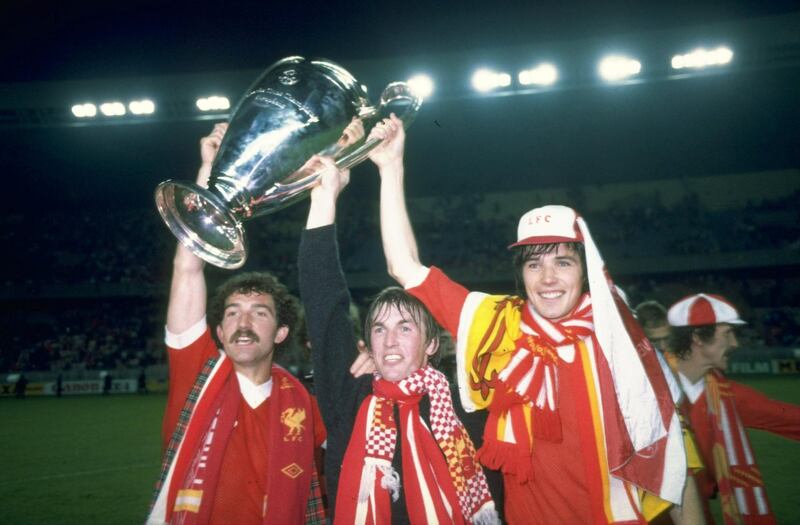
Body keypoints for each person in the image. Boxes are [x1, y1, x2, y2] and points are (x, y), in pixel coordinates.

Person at [370, 114, 687, 524]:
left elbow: (665, 448)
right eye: (534, 265)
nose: (549, 278)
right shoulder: (495, 321)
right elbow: (404, 267)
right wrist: (391, 167)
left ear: (585, 268)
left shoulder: (617, 334)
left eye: (563, 262)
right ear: (520, 274)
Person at [298, 154, 499, 524]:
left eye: (405, 328)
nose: (390, 340)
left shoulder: (468, 405)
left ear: (433, 344)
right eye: (379, 328)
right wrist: (323, 198)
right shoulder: (351, 394)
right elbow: (322, 299)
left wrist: (392, 168)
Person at [147, 123, 326, 525]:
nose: (243, 322)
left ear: (281, 332)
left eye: (259, 313)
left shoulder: (302, 402)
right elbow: (188, 268)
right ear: (219, 332)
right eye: (232, 313)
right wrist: (211, 174)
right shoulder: (197, 372)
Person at [668, 293, 800, 525]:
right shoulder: (648, 389)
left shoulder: (729, 397)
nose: (735, 343)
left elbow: (790, 418)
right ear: (698, 337)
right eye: (727, 334)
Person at [634, 300, 707, 525]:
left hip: (674, 447)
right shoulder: (627, 365)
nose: (664, 345)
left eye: (667, 337)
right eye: (656, 340)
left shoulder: (668, 362)